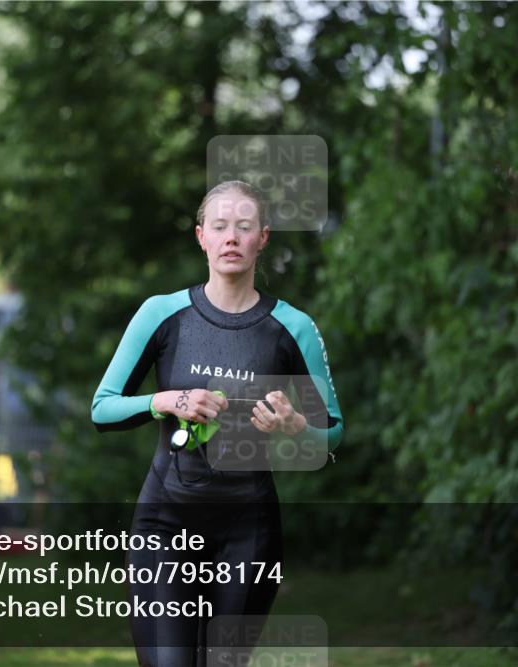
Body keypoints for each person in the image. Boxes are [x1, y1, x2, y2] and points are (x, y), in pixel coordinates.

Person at [91, 180, 344, 667]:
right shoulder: (162, 314)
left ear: (262, 238)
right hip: (165, 526)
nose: (231, 237)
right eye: (220, 226)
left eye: (244, 227)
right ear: (201, 236)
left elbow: (332, 431)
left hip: (248, 531)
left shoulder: (294, 327)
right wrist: (169, 400)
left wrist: (295, 425)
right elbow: (103, 408)